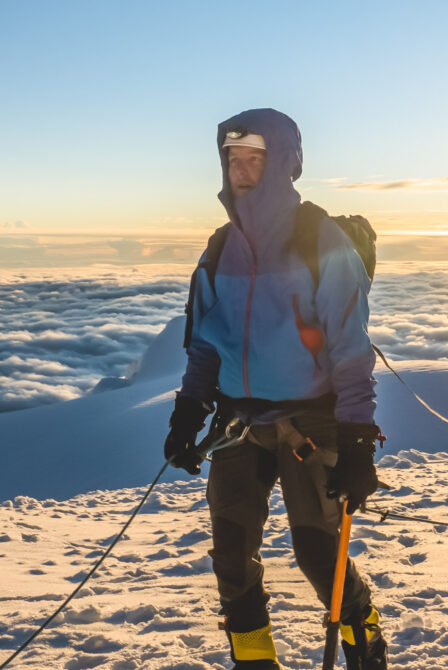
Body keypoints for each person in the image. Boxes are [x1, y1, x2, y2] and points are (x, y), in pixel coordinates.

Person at [164, 108, 387, 670]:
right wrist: (188, 413)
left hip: (311, 420)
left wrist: (357, 441)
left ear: (284, 162)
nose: (241, 170)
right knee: (231, 555)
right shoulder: (220, 248)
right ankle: (255, 663)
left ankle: (365, 642)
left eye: (254, 159)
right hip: (239, 423)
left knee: (318, 554)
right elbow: (205, 343)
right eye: (233, 159)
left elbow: (350, 349)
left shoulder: (319, 239)